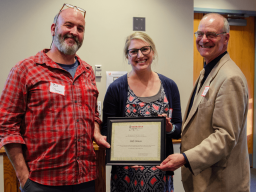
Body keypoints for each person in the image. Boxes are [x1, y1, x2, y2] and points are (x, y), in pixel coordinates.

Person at [0, 4, 109, 192]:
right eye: (68, 25)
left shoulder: (87, 72)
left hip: (85, 180)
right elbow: (6, 123)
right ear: (53, 29)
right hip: (41, 182)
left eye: (80, 28)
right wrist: (23, 177)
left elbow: (93, 114)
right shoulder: (25, 70)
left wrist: (96, 131)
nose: (74, 32)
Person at [157, 13, 250, 192]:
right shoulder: (207, 71)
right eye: (200, 34)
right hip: (204, 178)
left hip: (221, 182)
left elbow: (225, 136)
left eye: (211, 34)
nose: (203, 39)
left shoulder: (230, 78)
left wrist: (184, 157)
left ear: (226, 38)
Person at [102, 31, 182, 192]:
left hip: (160, 174)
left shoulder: (169, 86)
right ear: (127, 56)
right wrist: (123, 155)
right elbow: (107, 132)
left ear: (153, 51)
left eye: (145, 49)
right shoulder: (116, 89)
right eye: (133, 51)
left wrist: (169, 129)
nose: (140, 55)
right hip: (126, 174)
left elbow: (178, 129)